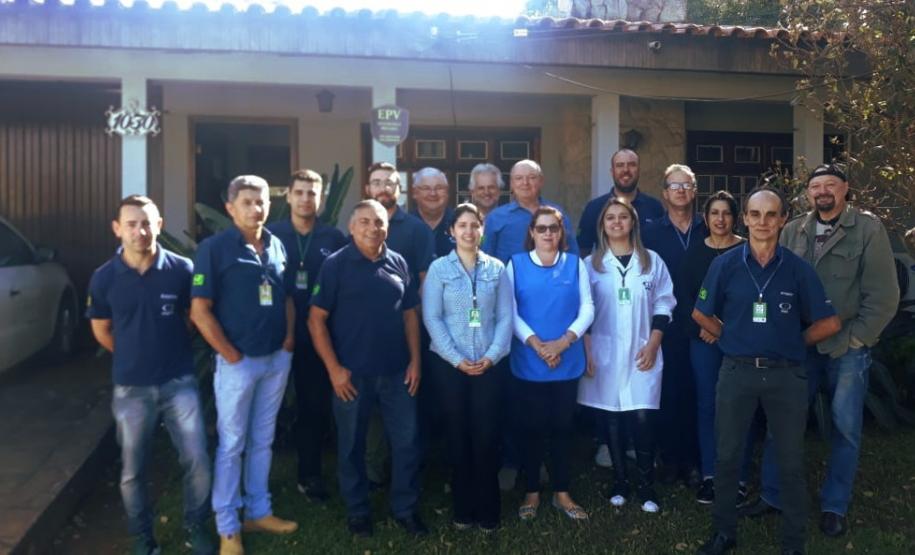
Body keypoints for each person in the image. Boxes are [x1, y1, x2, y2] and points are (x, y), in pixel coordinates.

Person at [742, 164, 899, 538]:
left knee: (845, 428)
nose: (823, 191)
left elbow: (884, 296)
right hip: (800, 346)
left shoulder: (868, 229)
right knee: (784, 421)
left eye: (830, 184)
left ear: (845, 189)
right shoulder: (794, 229)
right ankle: (773, 494)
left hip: (846, 347)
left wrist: (856, 339)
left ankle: (834, 504)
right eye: (816, 186)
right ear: (808, 193)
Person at [693, 187, 841, 555]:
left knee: (790, 461)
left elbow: (829, 322)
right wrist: (732, 339)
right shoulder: (724, 264)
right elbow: (700, 313)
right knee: (726, 457)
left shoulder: (797, 269)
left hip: (785, 377)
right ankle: (724, 534)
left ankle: (793, 544)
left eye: (770, 215)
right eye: (755, 215)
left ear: (782, 220)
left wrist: (792, 343)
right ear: (745, 218)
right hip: (736, 373)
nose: (762, 222)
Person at [87, 195, 214, 555]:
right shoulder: (104, 278)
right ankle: (143, 537)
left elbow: (193, 318)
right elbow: (102, 329)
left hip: (179, 382)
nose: (140, 231)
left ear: (159, 225)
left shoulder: (182, 270)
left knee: (198, 461)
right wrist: (133, 355)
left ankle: (195, 527)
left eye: (147, 223)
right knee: (132, 471)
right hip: (131, 388)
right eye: (131, 224)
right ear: (117, 229)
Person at [190, 175, 298, 555]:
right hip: (238, 364)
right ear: (230, 207)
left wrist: (287, 340)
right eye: (248, 201)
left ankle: (259, 511)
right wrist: (230, 353)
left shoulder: (277, 245)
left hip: (275, 361)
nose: (257, 208)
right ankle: (228, 527)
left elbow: (284, 297)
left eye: (263, 201)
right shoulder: (214, 249)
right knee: (233, 444)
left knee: (262, 440)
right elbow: (200, 311)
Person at [307, 200, 427, 538]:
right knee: (350, 446)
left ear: (388, 224)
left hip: (397, 373)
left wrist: (416, 361)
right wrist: (334, 369)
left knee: (406, 443)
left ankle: (405, 509)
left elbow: (410, 315)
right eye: (364, 222)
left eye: (378, 221)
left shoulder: (398, 261)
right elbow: (316, 320)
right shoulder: (335, 265)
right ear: (351, 226)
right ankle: (358, 511)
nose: (373, 228)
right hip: (351, 375)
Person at [578, 198, 675, 513]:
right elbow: (583, 311)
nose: (617, 222)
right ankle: (620, 481)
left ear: (633, 222)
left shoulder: (652, 262)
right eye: (610, 218)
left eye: (623, 217)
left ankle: (647, 484)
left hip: (642, 350)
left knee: (643, 416)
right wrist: (588, 350)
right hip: (604, 353)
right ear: (602, 225)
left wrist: (654, 342)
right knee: (612, 417)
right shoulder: (590, 265)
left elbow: (664, 302)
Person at [422, 203, 512, 531]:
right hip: (450, 367)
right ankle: (463, 509)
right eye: (462, 225)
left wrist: (492, 354)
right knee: (458, 437)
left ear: (482, 230)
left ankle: (489, 512)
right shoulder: (438, 270)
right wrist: (456, 358)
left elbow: (505, 316)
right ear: (451, 231)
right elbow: (431, 317)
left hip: (489, 365)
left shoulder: (497, 269)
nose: (469, 231)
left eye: (475, 225)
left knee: (487, 437)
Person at [505, 206, 594, 521]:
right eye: (541, 228)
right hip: (529, 361)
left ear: (561, 232)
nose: (547, 234)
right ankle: (531, 491)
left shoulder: (575, 265)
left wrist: (563, 342)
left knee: (562, 428)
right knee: (530, 429)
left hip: (565, 360)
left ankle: (561, 492)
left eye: (553, 229)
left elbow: (588, 307)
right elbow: (510, 312)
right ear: (531, 232)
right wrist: (537, 345)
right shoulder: (515, 265)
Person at [267, 169, 346, 503]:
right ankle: (256, 482)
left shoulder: (333, 238)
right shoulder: (270, 235)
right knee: (264, 411)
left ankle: (309, 475)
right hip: (275, 338)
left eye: (312, 193)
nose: (305, 199)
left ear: (321, 198)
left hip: (317, 339)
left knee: (313, 407)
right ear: (288, 195)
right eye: (299, 192)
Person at [362, 161, 434, 486]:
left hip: (407, 333)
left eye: (389, 183)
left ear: (399, 189)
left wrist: (415, 327)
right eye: (377, 182)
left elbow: (424, 281)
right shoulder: (359, 224)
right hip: (366, 336)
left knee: (406, 406)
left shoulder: (416, 229)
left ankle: (407, 474)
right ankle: (373, 472)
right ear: (368, 188)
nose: (383, 188)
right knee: (372, 412)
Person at [679, 191, 751, 505]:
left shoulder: (748, 251)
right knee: (707, 406)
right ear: (705, 219)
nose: (720, 219)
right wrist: (706, 328)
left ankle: (739, 478)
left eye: (726, 213)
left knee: (740, 408)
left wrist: (722, 328)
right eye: (714, 213)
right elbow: (684, 300)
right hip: (703, 342)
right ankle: (710, 475)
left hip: (740, 342)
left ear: (735, 217)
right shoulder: (694, 254)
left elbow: (753, 298)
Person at [642, 163, 708, 486]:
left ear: (694, 192)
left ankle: (694, 462)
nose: (680, 191)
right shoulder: (650, 231)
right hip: (664, 326)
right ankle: (668, 460)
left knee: (698, 393)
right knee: (667, 394)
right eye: (674, 185)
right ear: (664, 193)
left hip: (703, 326)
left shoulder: (708, 228)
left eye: (686, 185)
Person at [482, 159, 579, 263]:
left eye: (532, 177)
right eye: (518, 178)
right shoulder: (495, 217)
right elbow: (485, 258)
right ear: (512, 184)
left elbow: (572, 253)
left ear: (541, 181)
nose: (525, 183)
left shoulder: (557, 213)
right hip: (510, 278)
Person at [576, 148, 665, 255]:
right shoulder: (594, 208)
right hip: (605, 270)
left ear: (639, 170)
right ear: (612, 172)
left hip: (648, 269)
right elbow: (583, 250)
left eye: (632, 165)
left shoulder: (655, 207)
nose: (626, 170)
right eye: (620, 165)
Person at [411, 167, 455, 258]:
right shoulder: (405, 226)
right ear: (415, 193)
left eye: (439, 188)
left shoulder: (461, 223)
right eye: (426, 188)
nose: (433, 194)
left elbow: (481, 241)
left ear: (447, 192)